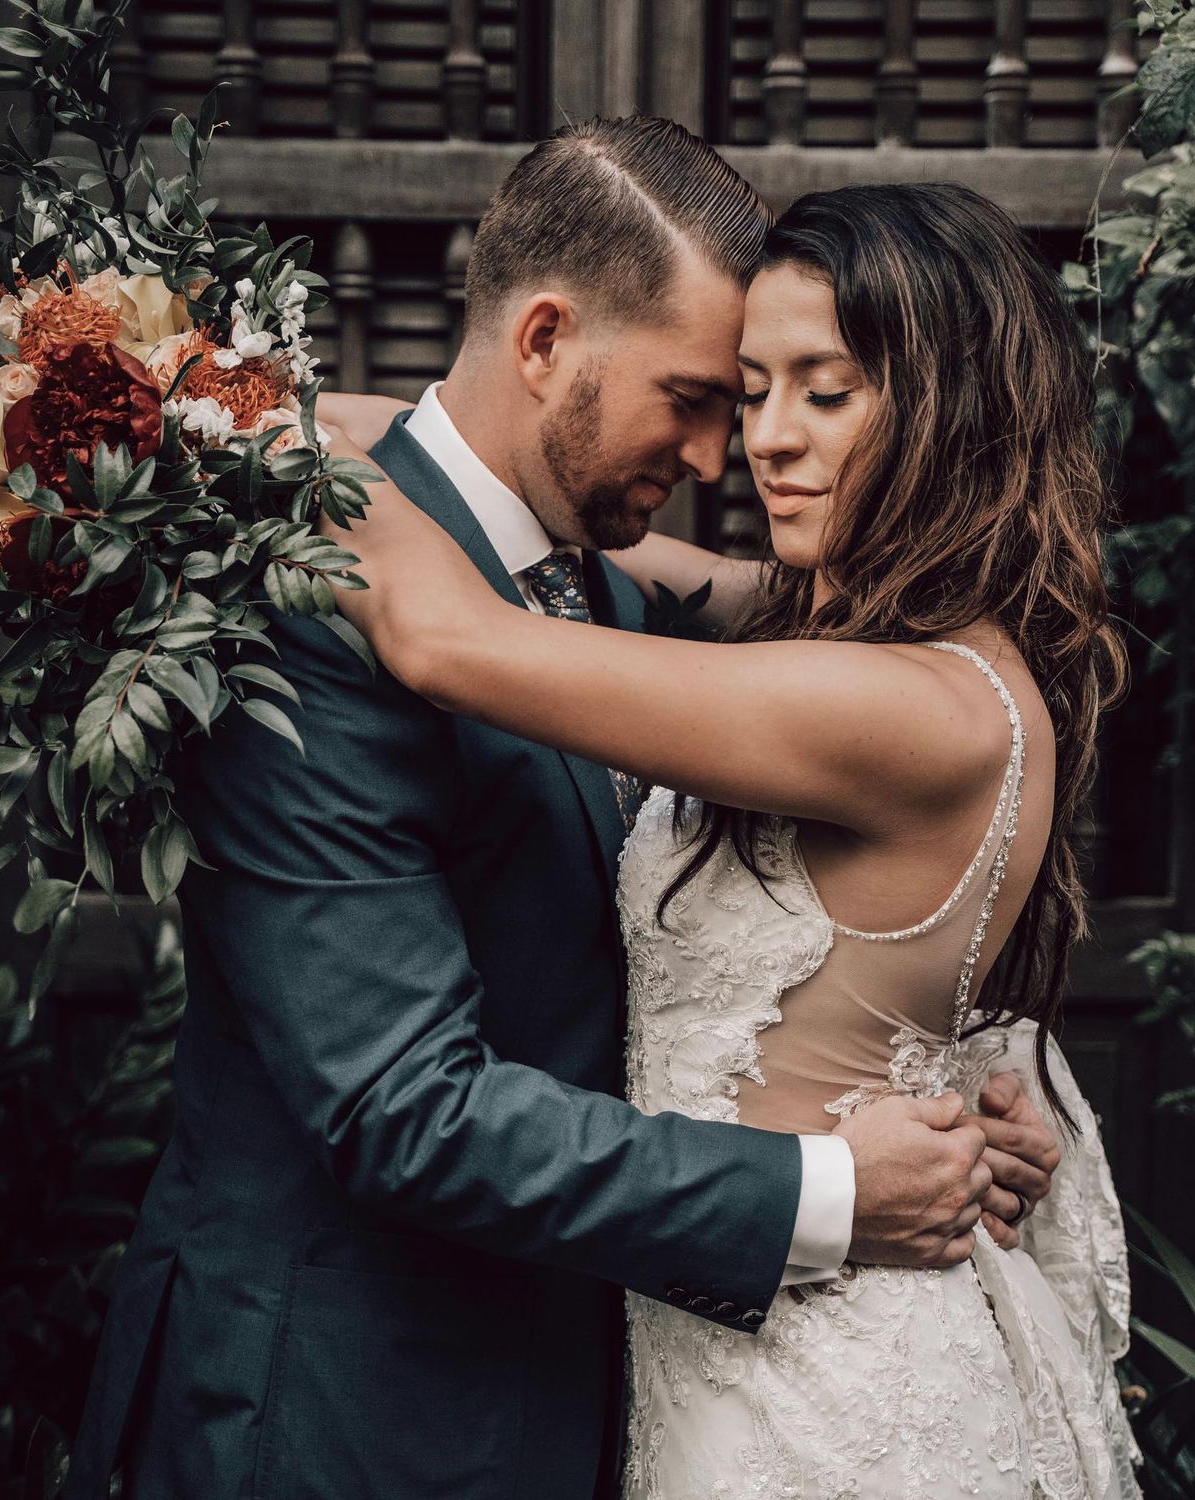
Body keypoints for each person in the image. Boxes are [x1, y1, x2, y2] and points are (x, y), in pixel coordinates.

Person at [64, 120, 1059, 1500]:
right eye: (704, 396)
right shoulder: (313, 606)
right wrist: (829, 1191)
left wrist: (959, 1089)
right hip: (351, 1412)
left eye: (801, 394)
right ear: (542, 342)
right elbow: (405, 1109)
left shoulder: (597, 581)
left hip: (604, 1387)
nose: (730, 454)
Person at [317, 176, 1140, 1496]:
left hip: (825, 1393)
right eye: (744, 389)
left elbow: (442, 634)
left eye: (826, 390)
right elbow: (575, 550)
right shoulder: (866, 649)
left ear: (952, 407)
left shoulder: (898, 707)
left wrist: (197, 408)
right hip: (736, 1353)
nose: (760, 439)